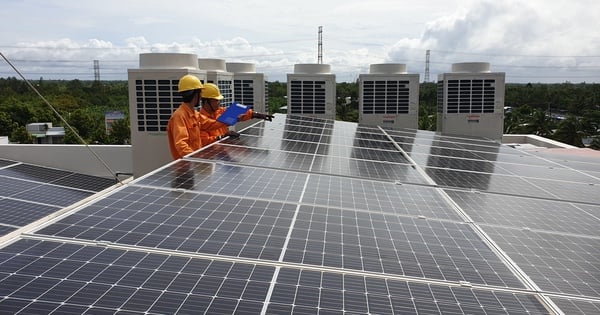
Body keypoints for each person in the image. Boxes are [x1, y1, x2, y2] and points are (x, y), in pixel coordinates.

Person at [198, 83, 274, 146]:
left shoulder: (220, 111)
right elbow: (204, 142)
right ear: (206, 102)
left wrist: (256, 114)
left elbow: (238, 111)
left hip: (223, 152)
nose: (219, 103)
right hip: (211, 158)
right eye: (216, 100)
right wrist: (222, 137)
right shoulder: (201, 120)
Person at [167, 74, 205, 160]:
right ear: (194, 94)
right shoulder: (179, 116)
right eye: (200, 93)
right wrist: (196, 159)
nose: (201, 97)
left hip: (194, 163)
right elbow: (181, 144)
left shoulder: (194, 114)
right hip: (186, 166)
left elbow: (209, 123)